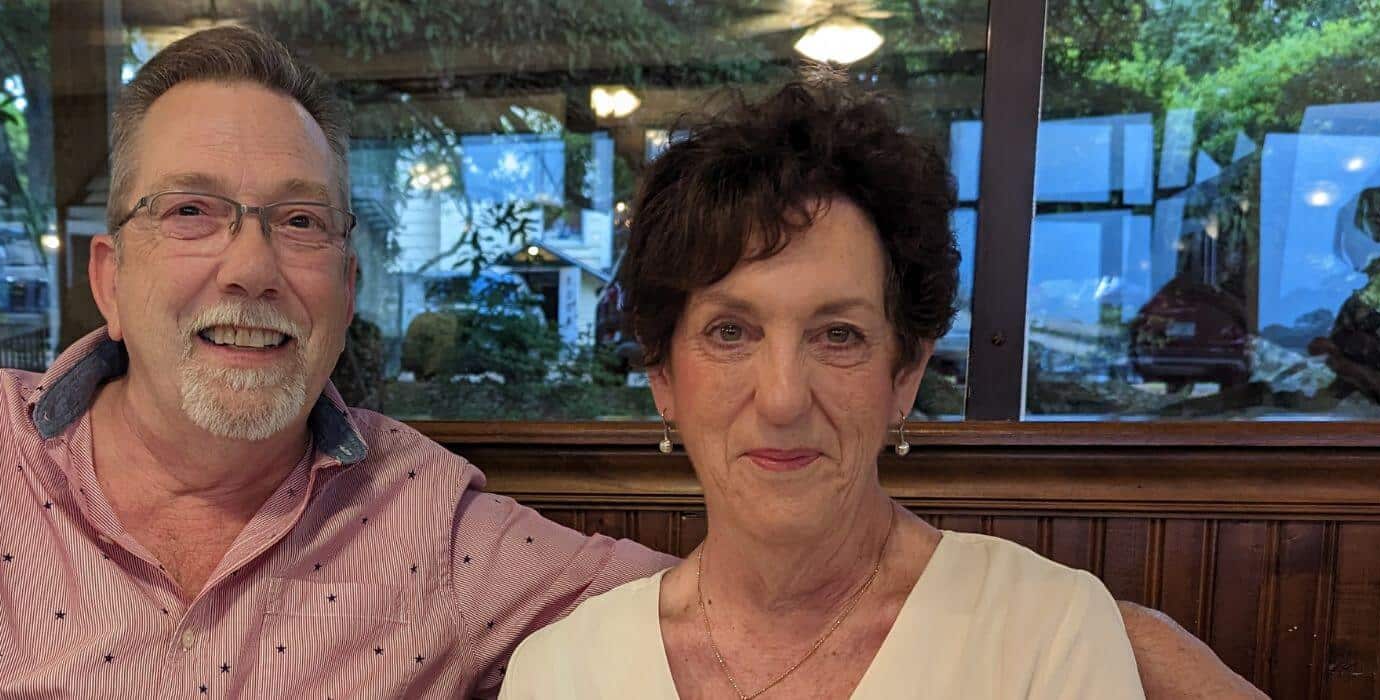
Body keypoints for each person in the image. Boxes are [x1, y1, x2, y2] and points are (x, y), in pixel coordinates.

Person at [0, 25, 1258, 699]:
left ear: (348, 278)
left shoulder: (439, 531)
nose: (250, 266)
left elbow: (753, 572)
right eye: (192, 213)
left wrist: (1109, 633)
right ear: (110, 266)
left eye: (299, 222)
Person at [500, 76, 1246, 699]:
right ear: (664, 376)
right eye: (731, 332)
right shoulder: (561, 671)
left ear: (905, 374)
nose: (784, 398)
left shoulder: (1044, 635)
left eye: (839, 336)